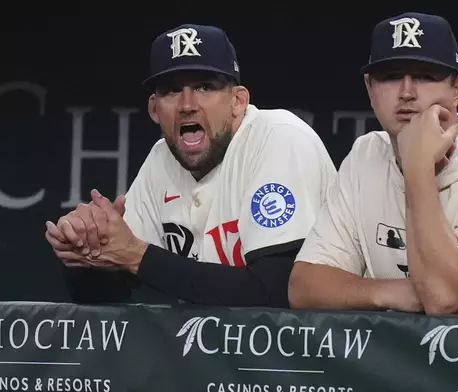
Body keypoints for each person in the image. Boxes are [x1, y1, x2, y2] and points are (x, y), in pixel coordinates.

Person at [44, 24, 337, 308]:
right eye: (172, 91)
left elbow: (277, 292)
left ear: (238, 101)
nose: (187, 104)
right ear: (154, 109)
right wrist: (85, 254)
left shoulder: (277, 137)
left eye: (205, 87)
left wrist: (136, 256)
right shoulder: (162, 159)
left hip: (311, 354)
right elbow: (108, 291)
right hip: (221, 353)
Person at [288, 13, 458, 315]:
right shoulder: (366, 156)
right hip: (401, 361)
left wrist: (417, 165)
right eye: (390, 76)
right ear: (369, 87)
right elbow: (305, 286)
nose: (407, 92)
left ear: (457, 88)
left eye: (425, 76)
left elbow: (444, 297)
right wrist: (394, 293)